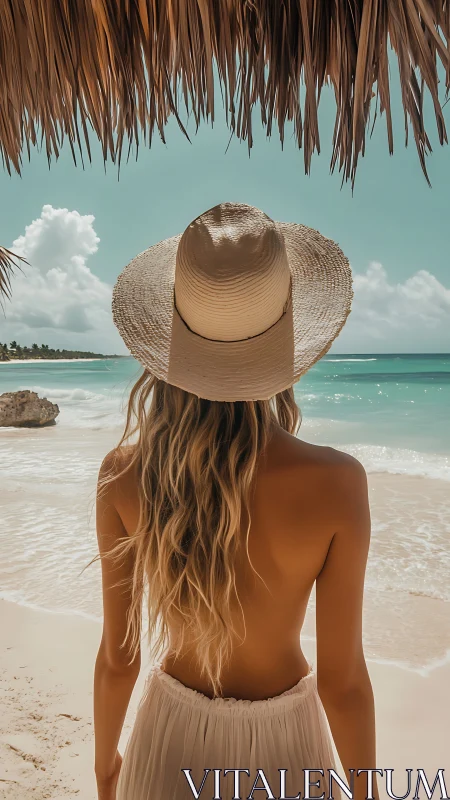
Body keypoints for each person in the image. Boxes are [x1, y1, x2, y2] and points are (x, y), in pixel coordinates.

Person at [93, 203, 377, 800]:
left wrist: (104, 763)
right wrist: (368, 791)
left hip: (168, 734)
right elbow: (343, 682)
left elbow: (121, 658)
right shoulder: (338, 484)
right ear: (285, 346)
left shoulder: (122, 476)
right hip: (287, 746)